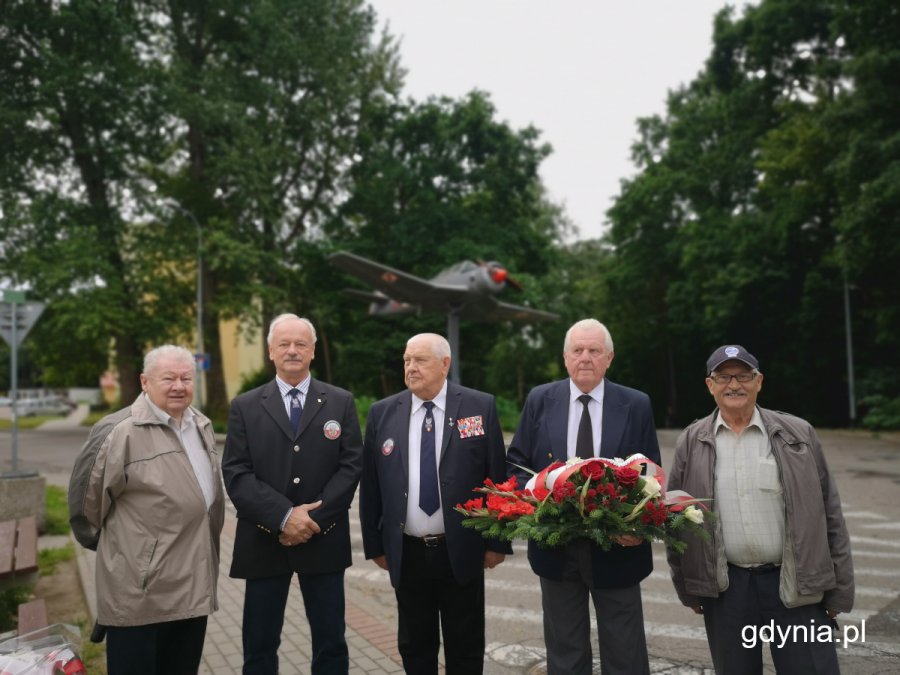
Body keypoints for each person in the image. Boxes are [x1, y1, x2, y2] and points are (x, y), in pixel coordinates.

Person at [666, 344, 854, 674]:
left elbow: (830, 514)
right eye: (723, 377)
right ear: (710, 385)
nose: (733, 385)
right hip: (727, 591)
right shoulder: (691, 441)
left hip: (795, 585)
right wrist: (687, 585)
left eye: (743, 376)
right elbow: (675, 519)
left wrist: (839, 590)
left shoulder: (798, 433)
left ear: (759, 381)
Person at [506, 318, 660, 675]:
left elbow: (650, 473)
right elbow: (517, 464)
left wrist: (637, 525)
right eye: (578, 350)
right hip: (556, 549)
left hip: (618, 548)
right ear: (565, 357)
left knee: (625, 653)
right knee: (565, 652)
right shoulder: (540, 400)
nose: (585, 358)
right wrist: (536, 506)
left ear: (609, 358)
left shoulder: (635, 404)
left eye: (594, 351)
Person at [359, 333, 511, 675]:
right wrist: (375, 545)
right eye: (407, 360)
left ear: (445, 364)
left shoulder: (478, 406)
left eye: (420, 360)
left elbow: (498, 479)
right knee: (415, 646)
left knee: (466, 645)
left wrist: (497, 541)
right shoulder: (383, 412)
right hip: (407, 552)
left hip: (462, 548)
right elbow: (371, 486)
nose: (411, 368)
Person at [69, 345, 225, 675]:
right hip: (140, 595)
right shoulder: (118, 431)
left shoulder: (201, 425)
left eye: (185, 378)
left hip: (193, 585)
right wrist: (136, 556)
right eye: (168, 378)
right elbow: (85, 511)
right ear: (144, 381)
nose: (178, 386)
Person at [222, 313, 363, 675]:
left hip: (323, 537)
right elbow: (237, 473)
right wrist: (285, 517)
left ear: (313, 350)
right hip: (265, 538)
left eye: (301, 343)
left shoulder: (340, 401)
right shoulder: (245, 406)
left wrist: (309, 520)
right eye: (284, 343)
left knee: (331, 642)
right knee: (259, 643)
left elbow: (350, 467)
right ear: (270, 351)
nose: (292, 350)